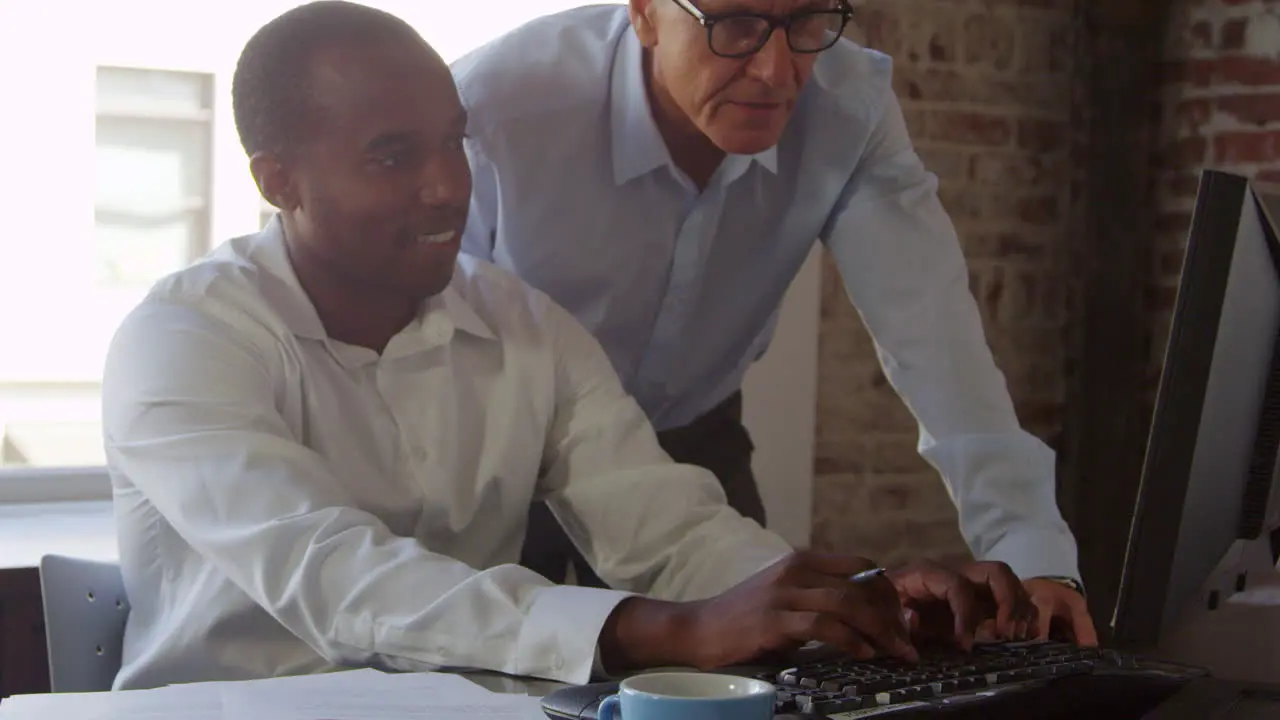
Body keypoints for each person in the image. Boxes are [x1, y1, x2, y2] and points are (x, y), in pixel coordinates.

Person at [101, 1, 1036, 691]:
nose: (445, 189)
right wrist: (660, 629)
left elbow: (669, 530)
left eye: (455, 145)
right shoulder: (181, 343)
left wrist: (848, 607)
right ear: (279, 181)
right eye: (394, 156)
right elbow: (339, 579)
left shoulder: (524, 326)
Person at [450, 0, 1098, 644]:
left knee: (768, 675)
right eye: (734, 24)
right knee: (480, 684)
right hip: (503, 444)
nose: (773, 70)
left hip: (692, 441)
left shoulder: (850, 107)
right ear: (646, 13)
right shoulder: (495, 109)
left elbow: (934, 333)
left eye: (806, 24)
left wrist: (1034, 554)